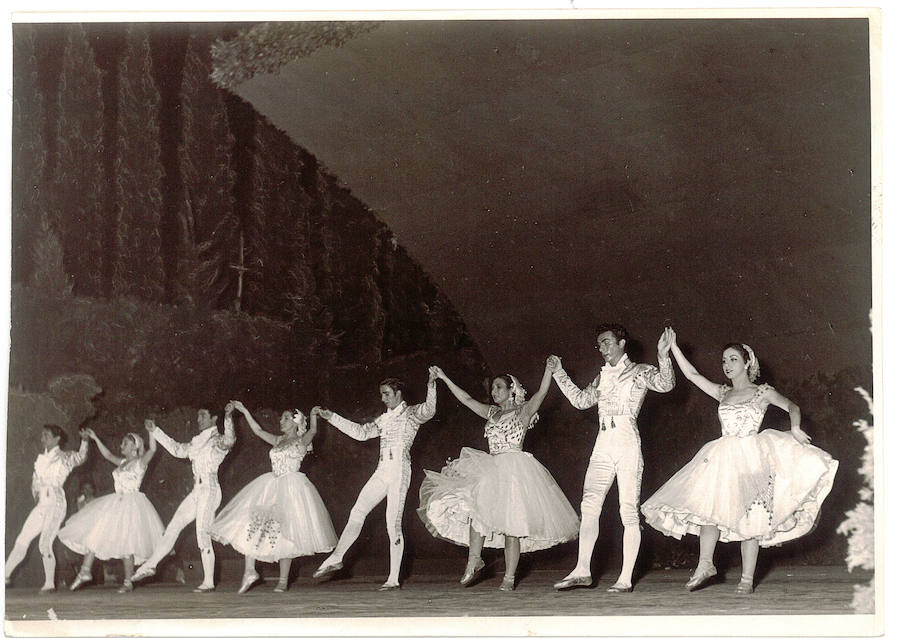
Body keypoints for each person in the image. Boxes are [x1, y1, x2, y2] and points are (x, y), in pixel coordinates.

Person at [640, 329, 838, 594]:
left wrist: (796, 427)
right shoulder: (723, 393)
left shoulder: (762, 392)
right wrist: (673, 347)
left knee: (752, 519)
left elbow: (792, 406)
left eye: (733, 359)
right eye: (723, 361)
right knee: (708, 509)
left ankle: (746, 579)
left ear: (747, 362)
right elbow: (693, 375)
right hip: (722, 457)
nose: (726, 365)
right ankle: (705, 565)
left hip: (752, 457)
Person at [418, 362, 579, 591]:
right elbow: (466, 400)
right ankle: (474, 560)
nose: (494, 392)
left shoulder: (524, 411)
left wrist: (547, 370)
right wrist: (443, 377)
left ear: (512, 389)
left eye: (499, 387)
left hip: (514, 469)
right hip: (491, 467)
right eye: (493, 388)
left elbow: (542, 393)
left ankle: (509, 578)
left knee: (512, 525)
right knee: (476, 510)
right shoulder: (491, 412)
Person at [549, 324, 675, 593]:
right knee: (589, 506)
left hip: (627, 442)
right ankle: (583, 569)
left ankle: (626, 578)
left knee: (627, 511)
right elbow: (581, 401)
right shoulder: (601, 376)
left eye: (607, 342)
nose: (603, 349)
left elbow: (666, 384)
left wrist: (663, 355)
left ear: (622, 343)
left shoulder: (639, 371)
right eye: (599, 345)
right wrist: (559, 372)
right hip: (602, 444)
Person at [312, 371, 437, 591]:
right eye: (381, 394)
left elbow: (429, 410)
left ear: (398, 394)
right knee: (357, 511)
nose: (383, 398)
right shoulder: (384, 418)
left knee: (393, 525)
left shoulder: (411, 413)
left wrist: (431, 384)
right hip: (382, 470)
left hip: (399, 471)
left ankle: (393, 579)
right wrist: (331, 416)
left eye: (387, 394)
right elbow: (360, 432)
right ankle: (337, 557)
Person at [210, 403, 337, 593]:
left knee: (286, 533)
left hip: (292, 489)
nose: (281, 421)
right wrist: (244, 410)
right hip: (270, 485)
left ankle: (283, 581)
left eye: (286, 418)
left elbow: (313, 430)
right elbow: (258, 430)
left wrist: (312, 414)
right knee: (252, 523)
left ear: (296, 423)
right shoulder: (278, 440)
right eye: (282, 418)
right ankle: (250, 571)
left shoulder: (302, 441)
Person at [131, 404, 236, 592]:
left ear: (213, 419)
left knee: (202, 534)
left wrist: (228, 418)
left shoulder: (217, 440)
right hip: (197, 491)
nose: (198, 419)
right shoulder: (197, 441)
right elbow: (178, 450)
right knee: (174, 526)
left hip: (210, 489)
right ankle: (150, 565)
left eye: (203, 415)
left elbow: (230, 440)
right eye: (198, 415)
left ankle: (209, 581)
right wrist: (155, 431)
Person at [59, 426, 164, 593]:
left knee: (128, 543)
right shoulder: (122, 463)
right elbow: (107, 455)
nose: (121, 445)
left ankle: (128, 582)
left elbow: (153, 449)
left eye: (125, 443)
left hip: (132, 505)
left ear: (134, 447)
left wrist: (152, 432)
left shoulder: (140, 463)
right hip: (115, 503)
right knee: (96, 531)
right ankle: (85, 571)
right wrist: (95, 437)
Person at [5, 425, 89, 592]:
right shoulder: (41, 458)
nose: (42, 438)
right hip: (42, 503)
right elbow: (35, 483)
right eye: (42, 435)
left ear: (57, 439)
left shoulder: (63, 457)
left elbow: (80, 457)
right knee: (22, 539)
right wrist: (36, 494)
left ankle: (49, 584)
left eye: (46, 435)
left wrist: (85, 441)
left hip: (55, 502)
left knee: (44, 543)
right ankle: (5, 575)